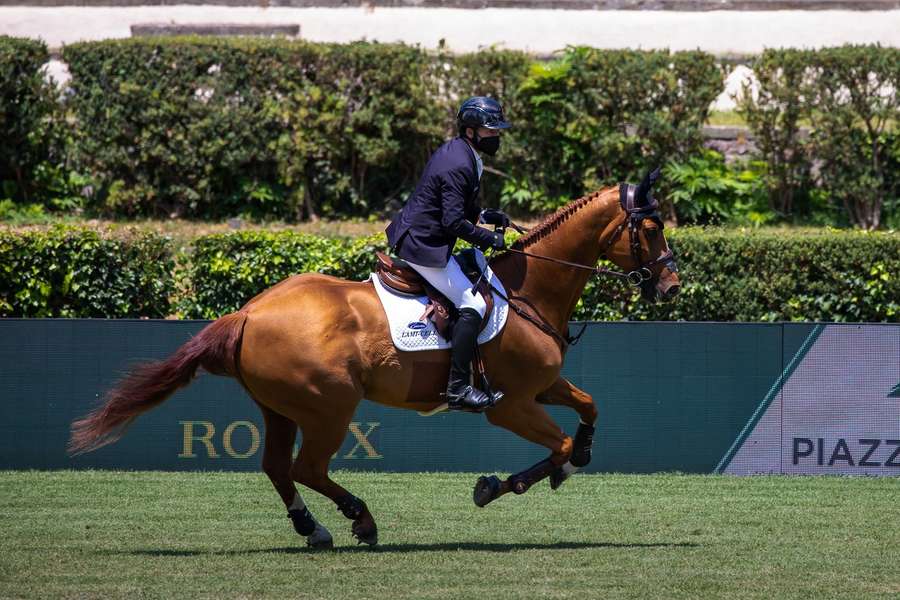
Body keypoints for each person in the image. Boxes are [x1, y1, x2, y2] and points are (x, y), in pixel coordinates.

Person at [385, 96, 512, 412]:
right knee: (474, 303)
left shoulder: (465, 153)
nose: (496, 136)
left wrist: (485, 214)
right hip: (422, 245)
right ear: (471, 131)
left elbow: (459, 207)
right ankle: (457, 389)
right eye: (490, 130)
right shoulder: (459, 162)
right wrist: (488, 239)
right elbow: (452, 221)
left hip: (425, 236)